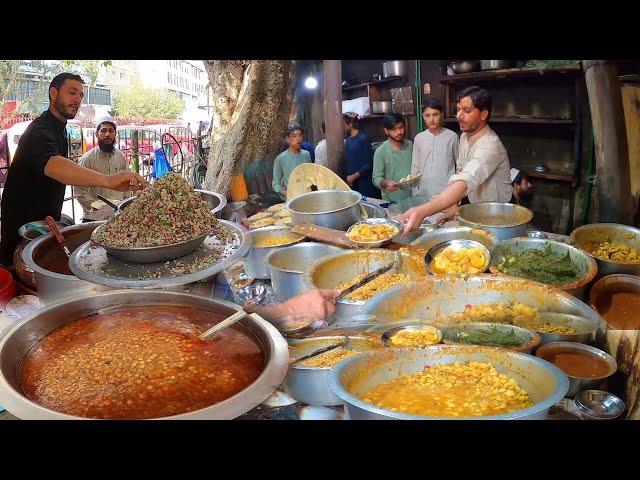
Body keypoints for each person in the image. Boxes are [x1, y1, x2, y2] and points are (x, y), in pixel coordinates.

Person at [0, 72, 146, 266]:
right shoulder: (39, 130)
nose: (77, 99)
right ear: (53, 93)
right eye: (71, 92)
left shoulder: (61, 129)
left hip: (47, 224)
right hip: (23, 233)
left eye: (80, 95)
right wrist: (108, 180)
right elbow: (54, 165)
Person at [398, 86, 512, 235]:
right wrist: (454, 207)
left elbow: (464, 182)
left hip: (497, 217)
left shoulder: (490, 145)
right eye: (458, 109)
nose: (459, 115)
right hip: (476, 211)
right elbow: (461, 171)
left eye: (467, 110)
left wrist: (422, 211)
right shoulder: (465, 136)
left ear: (483, 114)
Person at [75, 115, 130, 213]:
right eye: (103, 131)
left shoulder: (120, 157)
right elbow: (80, 191)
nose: (107, 135)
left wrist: (124, 205)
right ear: (96, 134)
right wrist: (98, 208)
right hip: (96, 214)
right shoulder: (87, 159)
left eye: (111, 131)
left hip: (118, 212)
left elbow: (127, 184)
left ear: (115, 134)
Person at [411, 97, 459, 198]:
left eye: (435, 115)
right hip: (423, 192)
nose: (431, 119)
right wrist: (415, 191)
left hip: (446, 192)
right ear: (423, 116)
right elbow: (415, 167)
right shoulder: (419, 138)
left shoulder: (452, 137)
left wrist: (456, 191)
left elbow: (459, 165)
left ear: (441, 115)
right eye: (427, 115)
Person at [372, 112, 413, 202]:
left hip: (412, 197)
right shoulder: (381, 151)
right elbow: (376, 178)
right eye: (394, 129)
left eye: (401, 127)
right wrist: (386, 183)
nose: (399, 132)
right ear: (386, 131)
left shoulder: (410, 145)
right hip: (392, 200)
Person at [343, 113, 379, 199]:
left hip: (365, 183)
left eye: (343, 124)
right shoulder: (348, 140)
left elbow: (369, 163)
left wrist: (354, 176)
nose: (342, 127)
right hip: (353, 184)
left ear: (350, 124)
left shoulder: (363, 138)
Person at [272, 123, 312, 200]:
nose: (298, 139)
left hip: (307, 196)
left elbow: (310, 175)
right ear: (287, 139)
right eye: (294, 136)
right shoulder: (280, 159)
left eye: (300, 135)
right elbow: (276, 184)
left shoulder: (306, 154)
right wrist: (289, 193)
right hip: (291, 200)